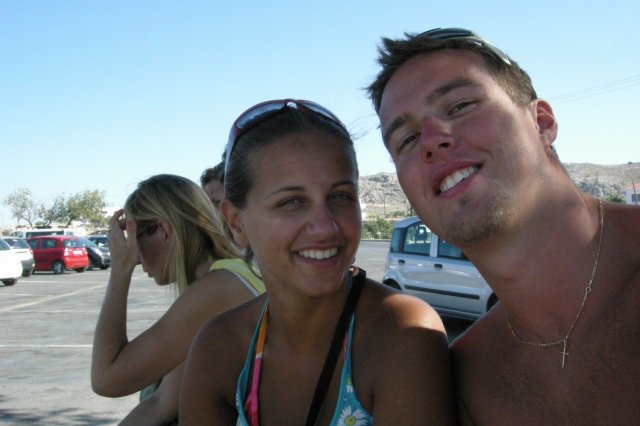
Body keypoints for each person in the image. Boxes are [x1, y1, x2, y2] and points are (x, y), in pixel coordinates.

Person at [367, 28, 640, 423]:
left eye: (460, 106)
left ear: (541, 122)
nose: (431, 141)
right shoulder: (467, 384)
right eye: (406, 139)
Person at [180, 99, 454, 425]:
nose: (326, 227)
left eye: (340, 196)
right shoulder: (220, 348)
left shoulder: (403, 333)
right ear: (236, 223)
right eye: (292, 202)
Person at [91, 174, 265, 424]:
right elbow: (162, 402)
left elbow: (106, 379)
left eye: (135, 241)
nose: (136, 257)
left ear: (163, 231)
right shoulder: (232, 273)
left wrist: (120, 272)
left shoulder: (217, 290)